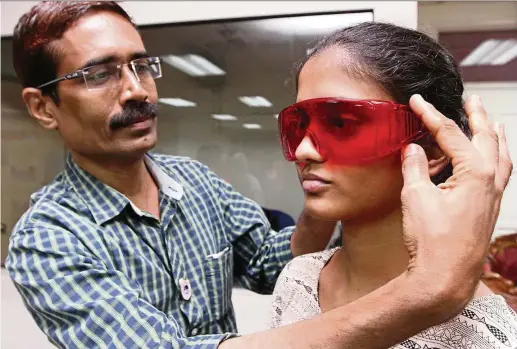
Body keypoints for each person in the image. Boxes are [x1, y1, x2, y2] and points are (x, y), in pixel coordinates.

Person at [4, 2, 512, 348]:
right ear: (43, 107)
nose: (137, 90)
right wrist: (427, 292)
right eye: (99, 74)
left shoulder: (194, 183)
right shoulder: (47, 240)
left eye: (141, 65)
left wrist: (320, 195)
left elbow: (275, 260)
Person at [270, 22, 517, 348]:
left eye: (341, 123)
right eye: (298, 126)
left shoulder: (484, 336)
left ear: (432, 149)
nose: (303, 150)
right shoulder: (299, 279)